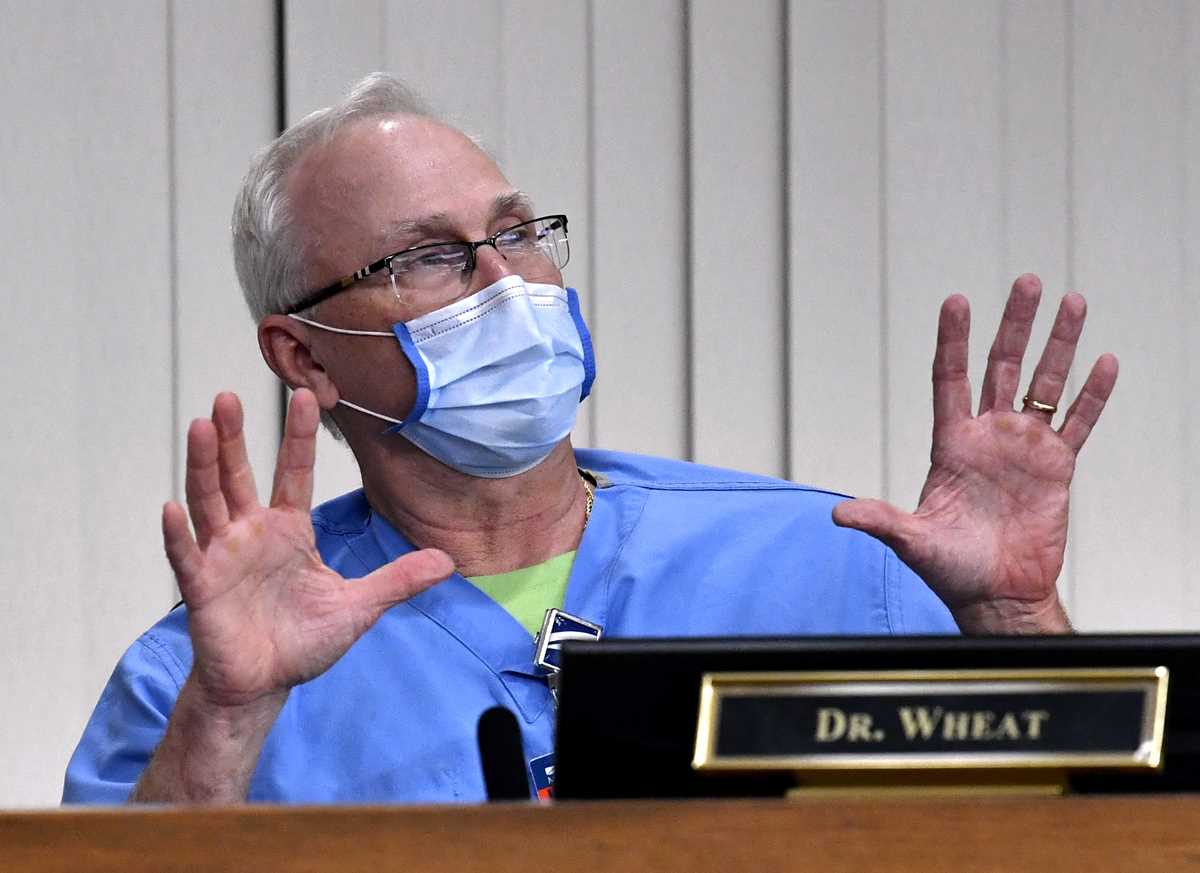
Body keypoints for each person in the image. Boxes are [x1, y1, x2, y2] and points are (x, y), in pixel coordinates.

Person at [63, 73, 1118, 804]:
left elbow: (1091, 843)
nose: (505, 281)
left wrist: (1011, 614)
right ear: (304, 356)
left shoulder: (842, 561)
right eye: (428, 256)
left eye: (516, 233)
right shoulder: (207, 672)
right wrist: (228, 717)